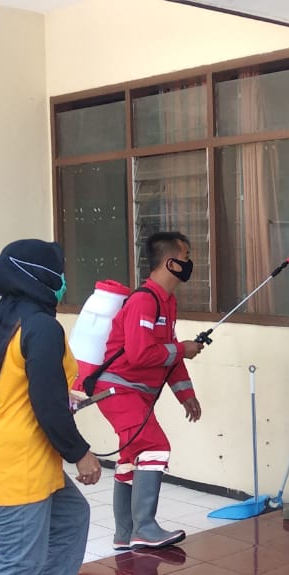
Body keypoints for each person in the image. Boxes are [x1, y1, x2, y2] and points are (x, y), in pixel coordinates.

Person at [0, 239, 103, 575]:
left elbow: (14, 382)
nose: (63, 281)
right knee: (16, 565)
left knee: (71, 516)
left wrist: (64, 395)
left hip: (17, 454)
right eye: (58, 273)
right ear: (39, 276)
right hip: (17, 463)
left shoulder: (9, 315)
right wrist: (80, 453)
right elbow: (45, 403)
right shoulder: (41, 325)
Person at [94, 231, 204, 551]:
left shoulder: (166, 301)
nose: (189, 264)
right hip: (118, 390)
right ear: (170, 262)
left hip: (134, 392)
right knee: (155, 446)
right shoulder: (145, 300)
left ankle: (125, 534)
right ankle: (144, 527)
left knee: (131, 457)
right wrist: (182, 348)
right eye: (185, 257)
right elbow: (141, 354)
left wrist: (187, 395)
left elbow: (167, 354)